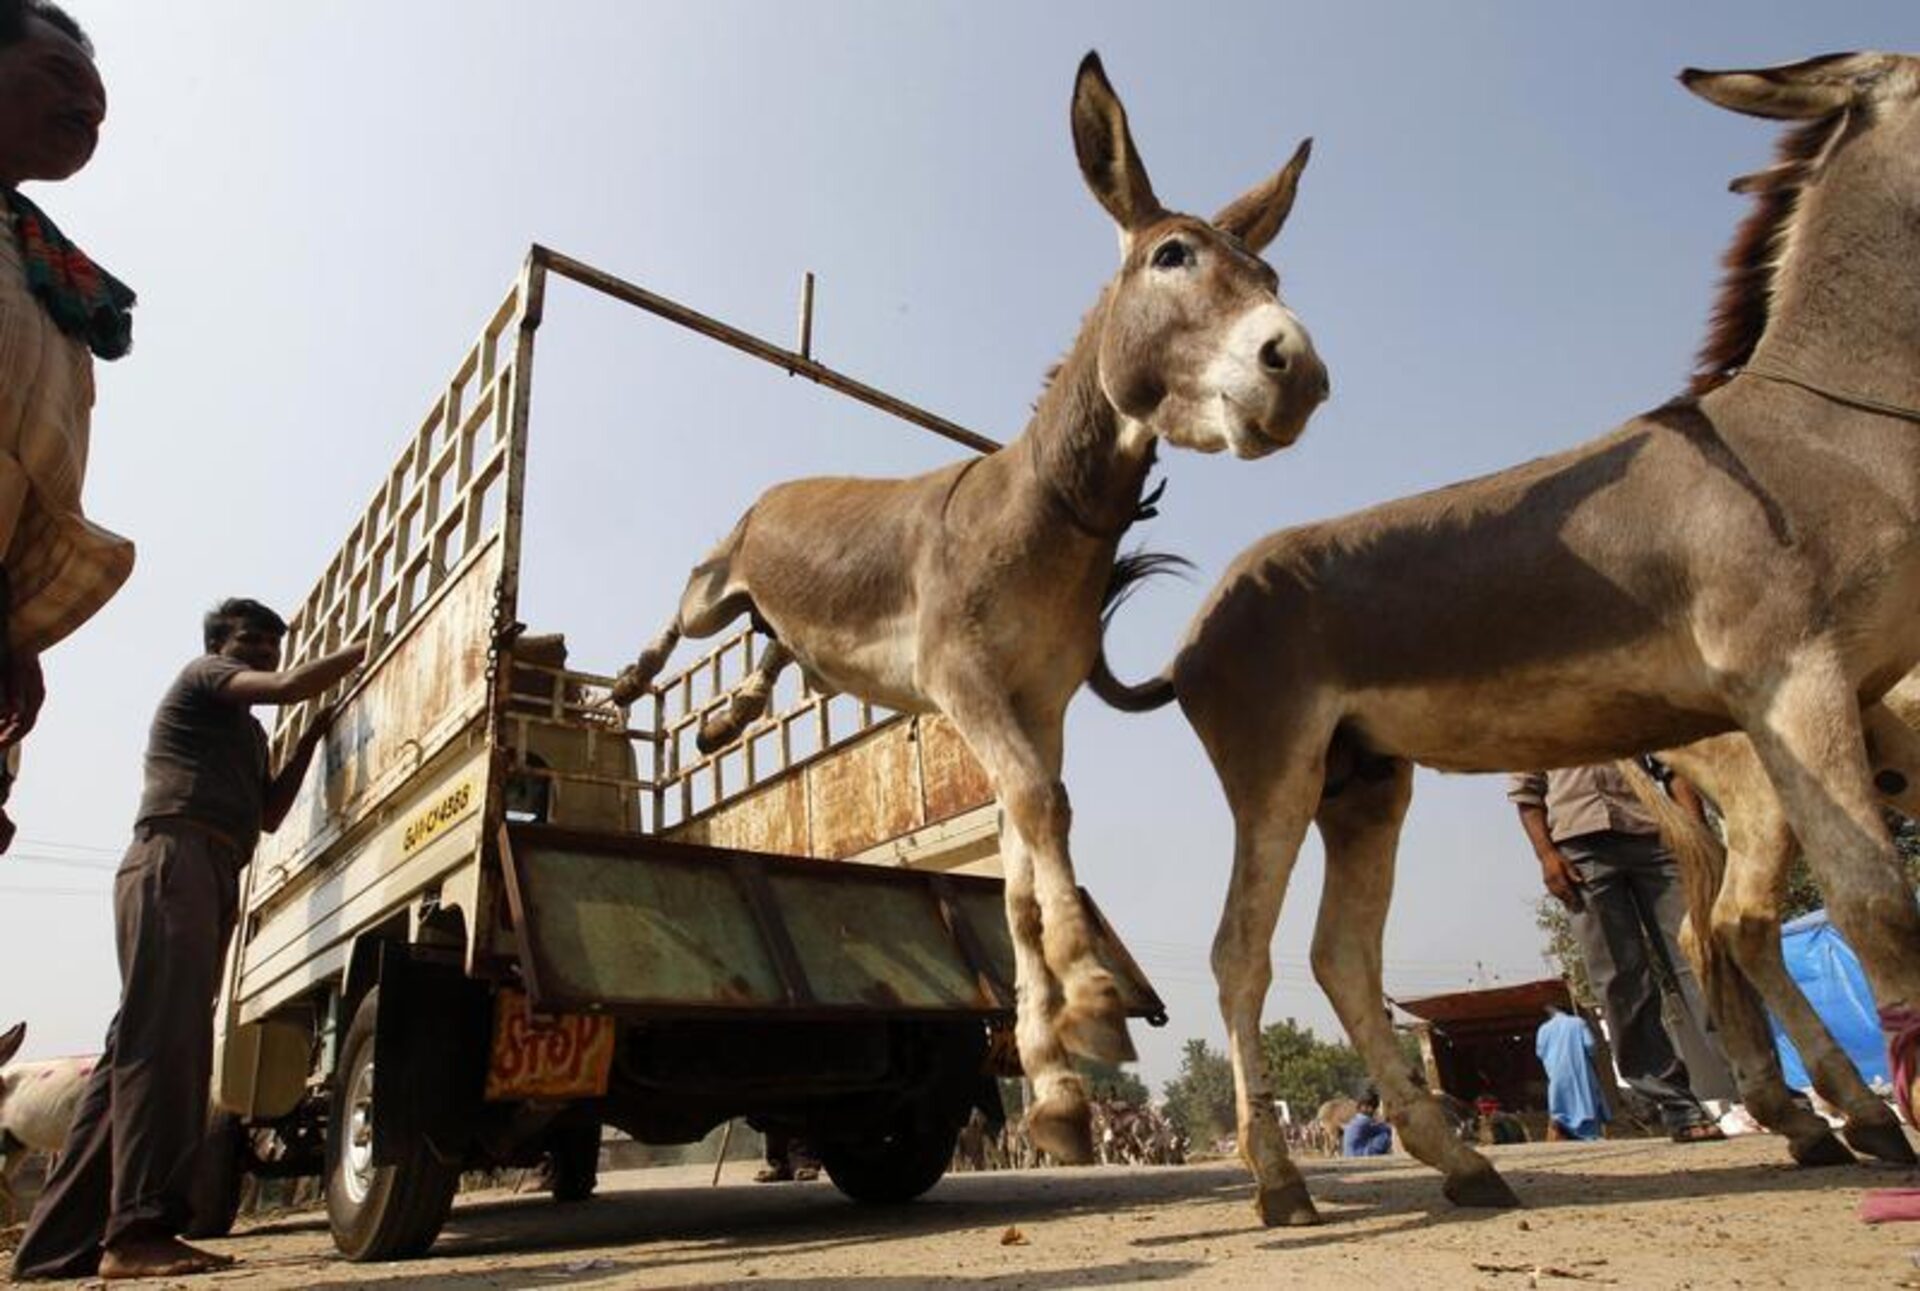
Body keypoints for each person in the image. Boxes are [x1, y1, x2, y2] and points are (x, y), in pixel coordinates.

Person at [11, 599, 364, 1280]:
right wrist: (360, 652)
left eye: (271, 644)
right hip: (174, 858)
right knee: (167, 1045)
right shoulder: (202, 676)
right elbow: (289, 685)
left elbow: (267, 813)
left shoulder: (248, 736)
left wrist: (315, 732)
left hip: (214, 866)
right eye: (252, 641)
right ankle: (138, 1232)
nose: (264, 653)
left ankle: (54, 1246)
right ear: (220, 644)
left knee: (133, 1053)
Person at [0, 1, 137, 851]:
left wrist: (14, 630)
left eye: (100, 110)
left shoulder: (42, 265)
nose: (87, 116)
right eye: (61, 81)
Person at [1510, 762, 1730, 1142]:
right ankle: (1675, 1103)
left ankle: (1760, 1083)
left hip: (1656, 835)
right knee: (1620, 982)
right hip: (1579, 849)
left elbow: (1675, 766)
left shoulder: (1636, 699)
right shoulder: (1530, 710)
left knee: (1703, 960)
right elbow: (1526, 792)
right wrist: (1547, 855)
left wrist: (1697, 834)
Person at [1536, 1005, 1609, 1141]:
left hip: (1556, 1074)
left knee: (1560, 1107)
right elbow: (1591, 1045)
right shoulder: (1578, 1022)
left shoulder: (1543, 1029)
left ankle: (1565, 1134)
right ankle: (1589, 1135)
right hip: (1580, 1070)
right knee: (1585, 1102)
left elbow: (1540, 1053)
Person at [1341, 1091, 1393, 1157]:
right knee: (1385, 1135)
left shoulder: (1356, 1119)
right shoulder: (1364, 1121)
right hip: (1358, 1155)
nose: (1375, 1111)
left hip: (1349, 1154)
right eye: (1375, 1108)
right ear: (1369, 1108)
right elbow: (1383, 1128)